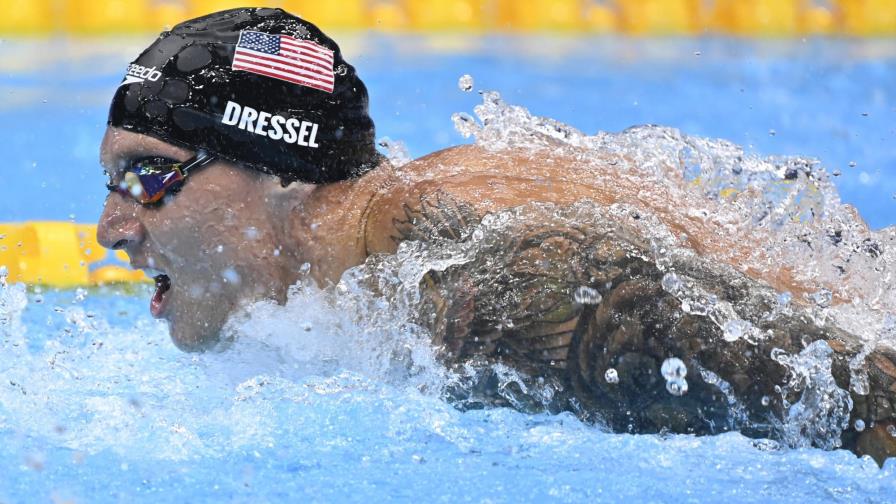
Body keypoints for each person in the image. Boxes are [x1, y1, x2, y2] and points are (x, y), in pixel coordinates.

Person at [96, 8, 896, 463]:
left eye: (147, 174)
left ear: (282, 172)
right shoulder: (376, 272)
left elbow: (865, 398)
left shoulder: (490, 282)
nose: (110, 229)